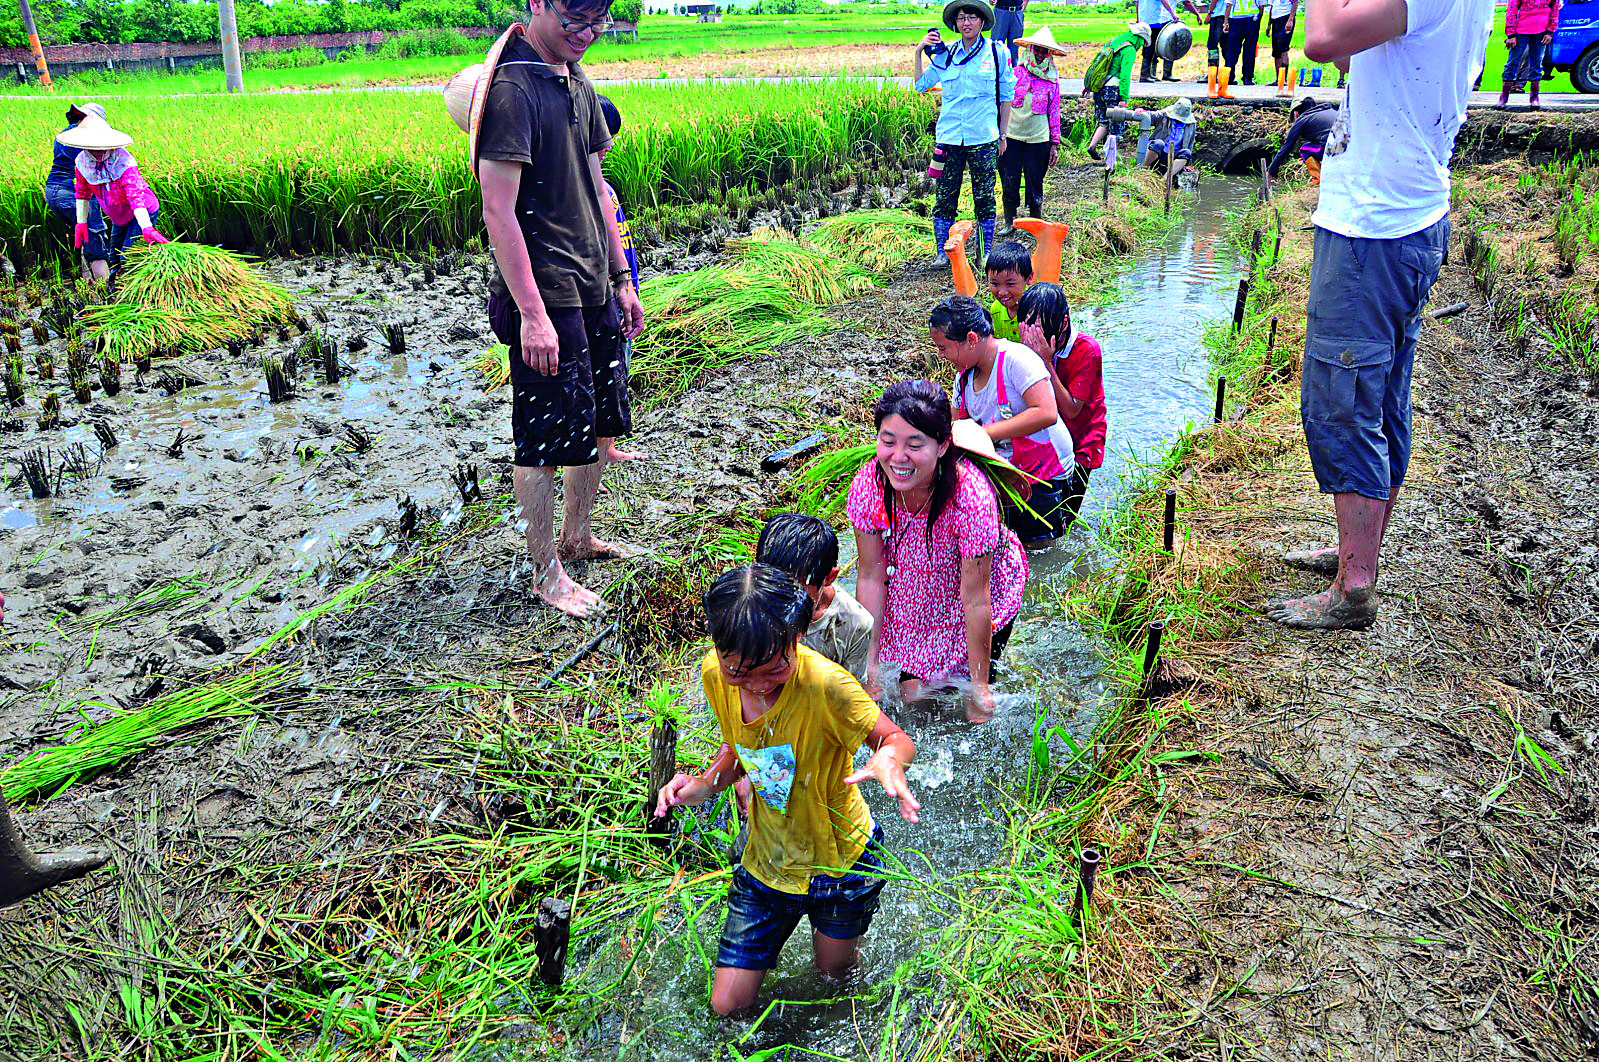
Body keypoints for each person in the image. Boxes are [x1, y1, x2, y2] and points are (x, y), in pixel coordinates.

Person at [1269, 0, 1494, 631]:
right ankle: (1355, 553)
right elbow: (1352, 51)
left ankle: (1355, 585)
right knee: (1381, 392)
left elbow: (1323, 38)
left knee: (1343, 401)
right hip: (1406, 217)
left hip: (1375, 231)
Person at [653, 564, 920, 1017]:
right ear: (719, 650)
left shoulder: (827, 685)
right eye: (740, 671)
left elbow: (897, 739)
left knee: (834, 984)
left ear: (796, 636)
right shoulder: (714, 675)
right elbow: (741, 750)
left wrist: (888, 759)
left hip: (841, 864)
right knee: (726, 1007)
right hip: (768, 861)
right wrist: (702, 786)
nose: (756, 684)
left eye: (774, 668)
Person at [474, 0, 647, 618]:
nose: (588, 34)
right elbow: (498, 211)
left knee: (598, 419)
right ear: (536, 4)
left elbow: (598, 187)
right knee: (544, 439)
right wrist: (532, 314)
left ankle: (578, 537)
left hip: (595, 281)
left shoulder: (576, 79)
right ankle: (546, 573)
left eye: (598, 21)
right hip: (545, 291)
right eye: (575, 21)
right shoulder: (514, 90)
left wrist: (623, 275)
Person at [848, 380, 1029, 721]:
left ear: (944, 445)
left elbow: (976, 600)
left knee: (970, 703)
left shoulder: (970, 498)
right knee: (912, 694)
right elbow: (871, 575)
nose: (898, 457)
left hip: (982, 589)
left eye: (915, 445)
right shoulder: (868, 486)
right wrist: (869, 669)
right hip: (918, 584)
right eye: (888, 442)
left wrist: (980, 688)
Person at [934, 296, 1081, 548]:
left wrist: (983, 434)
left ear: (971, 339)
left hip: (1045, 476)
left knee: (1042, 552)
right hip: (1006, 474)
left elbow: (1046, 412)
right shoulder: (964, 378)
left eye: (944, 347)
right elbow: (957, 422)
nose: (940, 355)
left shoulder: (1016, 359)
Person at [915, 0, 1016, 264]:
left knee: (984, 196)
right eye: (961, 18)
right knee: (945, 196)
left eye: (972, 17)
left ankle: (984, 254)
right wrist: (918, 52)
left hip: (983, 137)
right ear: (955, 24)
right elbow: (921, 86)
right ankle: (943, 252)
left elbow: (1006, 97)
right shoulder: (945, 54)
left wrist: (1003, 135)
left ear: (982, 22)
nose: (966, 23)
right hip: (949, 138)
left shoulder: (996, 52)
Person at [1015, 283, 1106, 532]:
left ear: (1063, 323)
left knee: (1065, 517)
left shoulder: (1088, 350)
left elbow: (1072, 410)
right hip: (1051, 438)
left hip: (1083, 438)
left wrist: (1043, 360)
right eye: (1027, 327)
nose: (1032, 337)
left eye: (1039, 329)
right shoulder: (1030, 344)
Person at [755, 513, 875, 685]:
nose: (780, 598)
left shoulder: (855, 624)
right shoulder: (753, 600)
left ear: (829, 577)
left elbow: (852, 695)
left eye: (796, 588)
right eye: (773, 584)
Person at [595, 94, 648, 466]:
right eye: (603, 138)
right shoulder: (580, 191)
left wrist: (629, 288)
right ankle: (598, 448)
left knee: (619, 371)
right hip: (603, 302)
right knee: (606, 375)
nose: (608, 148)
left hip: (622, 294)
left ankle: (607, 445)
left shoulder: (606, 190)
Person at [56, 115, 169, 269]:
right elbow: (82, 193)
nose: (98, 151)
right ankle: (114, 290)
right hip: (118, 216)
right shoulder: (82, 163)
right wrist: (81, 223)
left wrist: (146, 226)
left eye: (102, 146)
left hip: (142, 211)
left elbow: (135, 195)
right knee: (113, 257)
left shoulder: (123, 161)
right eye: (93, 147)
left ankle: (139, 288)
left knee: (128, 257)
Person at [1001, 26, 1065, 230]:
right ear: (1029, 49)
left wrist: (1055, 143)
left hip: (1038, 140)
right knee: (1009, 179)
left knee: (1035, 181)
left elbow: (1054, 112)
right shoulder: (1015, 74)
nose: (1039, 54)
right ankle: (1010, 221)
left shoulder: (1052, 81)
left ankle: (1035, 222)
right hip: (1012, 136)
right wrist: (999, 134)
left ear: (1050, 54)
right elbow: (1002, 102)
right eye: (1036, 49)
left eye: (1044, 51)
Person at [45, 103, 109, 282]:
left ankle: (88, 286)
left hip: (52, 192)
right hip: (73, 193)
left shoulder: (66, 135)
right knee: (97, 245)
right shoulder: (87, 136)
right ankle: (106, 293)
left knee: (85, 235)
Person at [1084, 22, 1151, 161]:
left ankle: (1092, 145)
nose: (1141, 47)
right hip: (1113, 89)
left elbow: (1097, 64)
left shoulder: (1114, 41)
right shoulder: (1130, 49)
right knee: (1116, 125)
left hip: (1100, 87)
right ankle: (1110, 160)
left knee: (1104, 120)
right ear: (1140, 38)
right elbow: (1125, 77)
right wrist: (1124, 99)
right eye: (1143, 43)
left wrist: (1089, 84)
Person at [1497, 0, 1561, 110]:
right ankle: (1504, 96)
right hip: (1520, 31)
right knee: (1512, 63)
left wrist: (1550, 31)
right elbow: (1511, 11)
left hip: (1542, 31)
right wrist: (1511, 33)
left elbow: (1555, 10)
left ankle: (1534, 97)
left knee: (1537, 64)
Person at [1266, 96, 1337, 186]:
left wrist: (1271, 172)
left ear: (1296, 113)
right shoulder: (1331, 111)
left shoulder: (1303, 120)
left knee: (1305, 149)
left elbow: (1286, 148)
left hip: (1331, 147)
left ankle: (1317, 181)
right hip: (1348, 146)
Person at [984, 242, 1032, 341]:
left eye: (1010, 284)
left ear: (1029, 278)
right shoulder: (996, 309)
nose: (1002, 292)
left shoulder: (1034, 312)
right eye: (995, 284)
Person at [1146, 97, 1197, 177]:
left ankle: (1166, 178)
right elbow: (1150, 116)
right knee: (1158, 143)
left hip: (1174, 157)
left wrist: (1188, 164)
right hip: (1159, 152)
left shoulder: (1191, 124)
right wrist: (1142, 112)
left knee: (1186, 152)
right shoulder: (1164, 115)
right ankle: (1143, 170)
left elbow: (1190, 143)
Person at [1221, 0, 1262, 88]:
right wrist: (1259, 19)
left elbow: (1228, 5)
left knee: (1233, 50)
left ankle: (1229, 77)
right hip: (1252, 20)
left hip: (1236, 20)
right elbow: (1261, 6)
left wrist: (1226, 22)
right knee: (1250, 51)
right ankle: (1248, 78)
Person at [1138, 0, 1182, 82]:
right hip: (1154, 20)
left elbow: (1138, 3)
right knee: (1151, 49)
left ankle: (1148, 74)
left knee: (1147, 47)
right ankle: (1145, 75)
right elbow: (1164, 1)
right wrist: (1172, 14)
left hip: (1144, 21)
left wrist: (1138, 19)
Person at [1267, 0, 1299, 94]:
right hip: (1275, 19)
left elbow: (1295, 3)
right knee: (1276, 51)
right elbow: (1272, 8)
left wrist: (1290, 20)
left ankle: (1283, 79)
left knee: (1283, 48)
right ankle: (1278, 79)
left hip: (1285, 18)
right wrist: (1269, 24)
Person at [992, 0, 1026, 66]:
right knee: (997, 45)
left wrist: (1026, 2)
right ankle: (995, 73)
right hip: (1001, 11)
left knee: (1014, 47)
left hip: (1017, 11)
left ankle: (1013, 72)